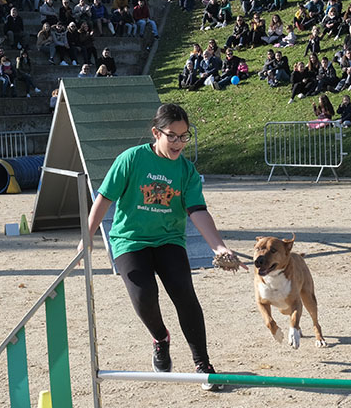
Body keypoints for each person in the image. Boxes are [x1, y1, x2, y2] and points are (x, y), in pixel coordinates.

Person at [81, 104, 236, 391]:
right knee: (144, 298)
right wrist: (87, 235)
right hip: (130, 240)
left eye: (184, 136)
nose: (178, 143)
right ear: (156, 133)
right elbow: (104, 198)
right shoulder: (131, 159)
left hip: (168, 240)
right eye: (172, 136)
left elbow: (198, 210)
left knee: (184, 295)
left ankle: (203, 364)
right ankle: (160, 338)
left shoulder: (186, 170)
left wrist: (218, 247)